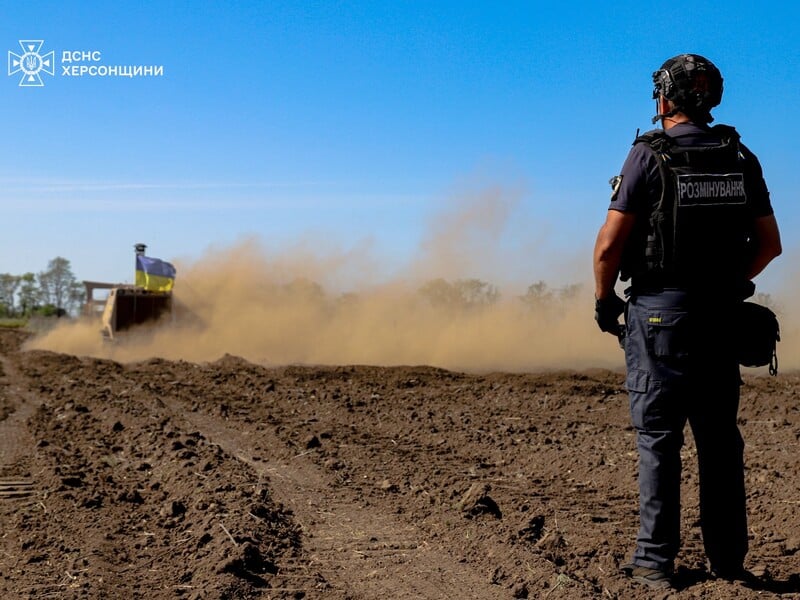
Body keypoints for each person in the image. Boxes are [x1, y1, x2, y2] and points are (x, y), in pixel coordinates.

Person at [592, 54, 782, 590]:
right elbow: (770, 245)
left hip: (658, 321)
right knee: (720, 441)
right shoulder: (740, 156)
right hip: (720, 317)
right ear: (712, 97)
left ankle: (654, 563)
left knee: (659, 440)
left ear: (663, 98)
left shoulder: (646, 156)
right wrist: (725, 286)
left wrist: (606, 304)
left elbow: (609, 247)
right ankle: (728, 564)